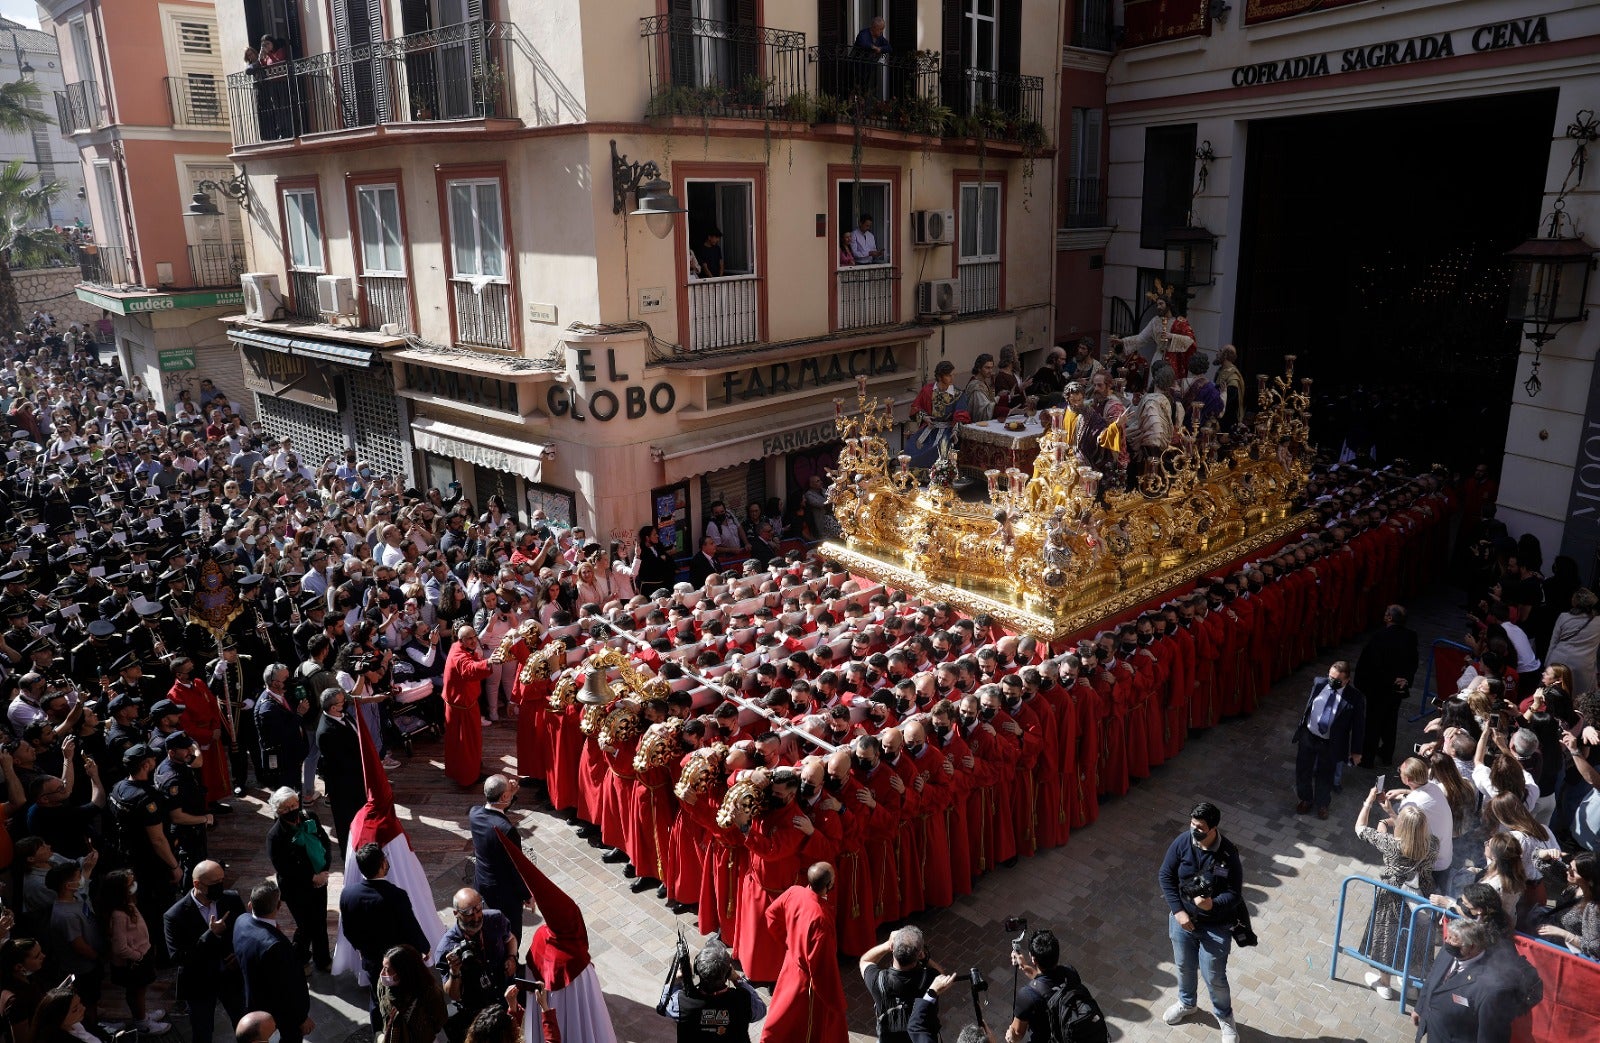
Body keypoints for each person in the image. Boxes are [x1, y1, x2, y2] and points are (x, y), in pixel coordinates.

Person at [1158, 801, 1242, 1043]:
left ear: (1213, 828)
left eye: (1200, 826)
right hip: (1183, 922)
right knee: (1184, 966)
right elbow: (1166, 876)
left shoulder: (1228, 854)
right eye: (1192, 824)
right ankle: (1187, 1003)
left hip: (1215, 927)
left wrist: (1212, 904)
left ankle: (1226, 1019)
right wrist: (1178, 912)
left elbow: (1235, 894)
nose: (1194, 829)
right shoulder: (1182, 842)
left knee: (1214, 976)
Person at [339, 842, 429, 1031]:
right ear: (381, 865)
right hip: (399, 961)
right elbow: (410, 927)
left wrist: (362, 949)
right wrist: (424, 948)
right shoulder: (396, 895)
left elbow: (348, 930)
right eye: (385, 860)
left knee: (377, 997)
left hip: (371, 961)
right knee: (405, 997)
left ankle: (380, 1033)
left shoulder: (348, 894)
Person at [1354, 798, 1436, 1001]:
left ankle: (1384, 983)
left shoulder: (1393, 845)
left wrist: (1370, 805)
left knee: (1388, 937)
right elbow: (1411, 832)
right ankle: (1410, 984)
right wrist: (1394, 814)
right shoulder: (1433, 844)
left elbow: (1360, 828)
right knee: (1414, 939)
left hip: (1392, 898)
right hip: (1421, 897)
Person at [760, 863, 847, 1043]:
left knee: (782, 1012)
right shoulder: (821, 918)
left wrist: (790, 942)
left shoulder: (794, 891)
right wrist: (836, 1001)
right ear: (829, 885)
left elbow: (771, 914)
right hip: (807, 981)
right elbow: (822, 965)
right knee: (806, 1022)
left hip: (791, 963)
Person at [1411, 918, 1536, 1042]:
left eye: (1453, 940)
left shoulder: (1491, 989)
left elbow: (1490, 1037)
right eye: (1448, 937)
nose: (1447, 942)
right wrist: (1420, 1007)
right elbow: (1433, 977)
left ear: (1472, 947)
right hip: (1435, 1032)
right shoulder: (1448, 950)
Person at [163, 860, 246, 1043]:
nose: (220, 886)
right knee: (202, 1032)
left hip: (231, 977)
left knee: (245, 1025)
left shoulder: (230, 899)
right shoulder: (174, 916)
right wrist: (211, 935)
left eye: (221, 881)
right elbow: (178, 957)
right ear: (197, 884)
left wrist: (238, 954)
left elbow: (244, 931)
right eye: (214, 883)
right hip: (199, 983)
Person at [432, 888, 516, 1043]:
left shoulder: (495, 918)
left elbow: (510, 939)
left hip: (505, 996)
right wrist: (454, 972)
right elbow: (454, 995)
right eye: (468, 913)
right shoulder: (446, 948)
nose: (476, 917)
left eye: (478, 909)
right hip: (477, 1013)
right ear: (456, 913)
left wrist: (511, 957)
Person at [264, 786, 334, 972]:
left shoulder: (310, 816)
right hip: (297, 888)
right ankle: (300, 959)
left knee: (320, 920)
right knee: (306, 925)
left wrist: (324, 870)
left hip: (320, 880)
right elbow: (286, 868)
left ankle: (323, 959)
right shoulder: (275, 836)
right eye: (286, 808)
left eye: (294, 804)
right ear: (278, 811)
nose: (292, 810)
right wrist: (312, 877)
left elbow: (325, 842)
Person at [233, 883, 313, 1043]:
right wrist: (301, 1018)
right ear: (279, 905)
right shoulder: (275, 946)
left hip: (253, 1000)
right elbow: (290, 988)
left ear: (250, 904)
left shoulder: (241, 920)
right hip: (278, 1012)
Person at [1292, 661, 1365, 819]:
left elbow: (1359, 726)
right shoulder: (1319, 683)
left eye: (1337, 680)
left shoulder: (1355, 698)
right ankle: (1305, 798)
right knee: (1303, 769)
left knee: (1325, 774)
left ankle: (1322, 804)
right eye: (1330, 677)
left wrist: (1356, 751)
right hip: (1309, 735)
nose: (1332, 682)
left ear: (1347, 681)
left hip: (1331, 742)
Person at [102, 869, 168, 1034]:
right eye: (130, 884)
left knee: (141, 990)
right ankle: (141, 1022)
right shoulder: (118, 915)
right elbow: (120, 947)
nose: (134, 886)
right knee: (136, 991)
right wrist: (137, 955)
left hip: (140, 956)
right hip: (133, 962)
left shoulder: (128, 905)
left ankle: (143, 1014)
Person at [662, 938, 767, 1042]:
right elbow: (760, 1012)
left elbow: (663, 1009)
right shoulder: (743, 998)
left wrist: (676, 981)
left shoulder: (680, 1002)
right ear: (728, 973)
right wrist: (737, 980)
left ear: (696, 970)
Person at [1006, 929, 1098, 1043]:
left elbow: (1018, 1035)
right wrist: (1024, 966)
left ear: (1033, 959)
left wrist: (1011, 1036)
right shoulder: (1070, 972)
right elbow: (1049, 987)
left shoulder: (1027, 996)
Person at [470, 774, 533, 943]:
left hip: (482, 884)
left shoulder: (474, 813)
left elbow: (495, 811)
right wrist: (527, 894)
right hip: (504, 893)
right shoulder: (507, 831)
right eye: (507, 792)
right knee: (511, 936)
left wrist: (509, 795)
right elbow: (515, 868)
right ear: (504, 796)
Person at [1355, 605, 1419, 767]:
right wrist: (1405, 679)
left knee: (1373, 722)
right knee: (1391, 721)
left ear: (1390, 618)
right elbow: (1413, 662)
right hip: (1398, 689)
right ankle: (1387, 755)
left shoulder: (1379, 636)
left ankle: (1367, 758)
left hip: (1379, 688)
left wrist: (1390, 679)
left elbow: (1373, 664)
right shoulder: (1411, 636)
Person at [860, 926, 938, 1043]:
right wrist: (925, 958)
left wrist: (887, 945)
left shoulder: (878, 981)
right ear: (920, 954)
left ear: (893, 948)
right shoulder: (930, 978)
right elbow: (943, 977)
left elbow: (865, 961)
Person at [443, 626, 493, 787]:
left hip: (465, 705)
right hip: (462, 708)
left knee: (468, 743)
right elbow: (469, 669)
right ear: (461, 640)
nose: (473, 641)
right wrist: (489, 662)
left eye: (474, 637)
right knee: (466, 744)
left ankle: (472, 768)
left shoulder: (457, 647)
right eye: (469, 639)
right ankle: (468, 777)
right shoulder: (459, 654)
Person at [314, 687, 362, 853]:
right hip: (344, 785)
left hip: (356, 779)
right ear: (333, 708)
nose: (346, 702)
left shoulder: (343, 714)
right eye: (342, 701)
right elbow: (343, 762)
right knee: (346, 820)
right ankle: (349, 851)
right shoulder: (327, 732)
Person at [377, 944, 449, 1043]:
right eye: (383, 967)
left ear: (403, 972)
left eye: (388, 970)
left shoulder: (429, 992)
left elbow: (440, 1019)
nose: (382, 973)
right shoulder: (383, 985)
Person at [906, 361, 964, 469]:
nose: (952, 378)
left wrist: (955, 430)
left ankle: (938, 475)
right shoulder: (927, 390)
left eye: (953, 374)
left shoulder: (957, 394)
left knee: (940, 448)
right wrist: (924, 416)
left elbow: (961, 414)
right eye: (948, 375)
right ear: (940, 377)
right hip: (929, 429)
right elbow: (915, 407)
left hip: (947, 431)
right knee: (912, 447)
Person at [1544, 588, 1600, 696]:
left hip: (1558, 662)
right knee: (1578, 700)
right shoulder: (1598, 621)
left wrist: (1547, 665)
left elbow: (1553, 643)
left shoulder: (1563, 617)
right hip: (1583, 667)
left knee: (1553, 696)